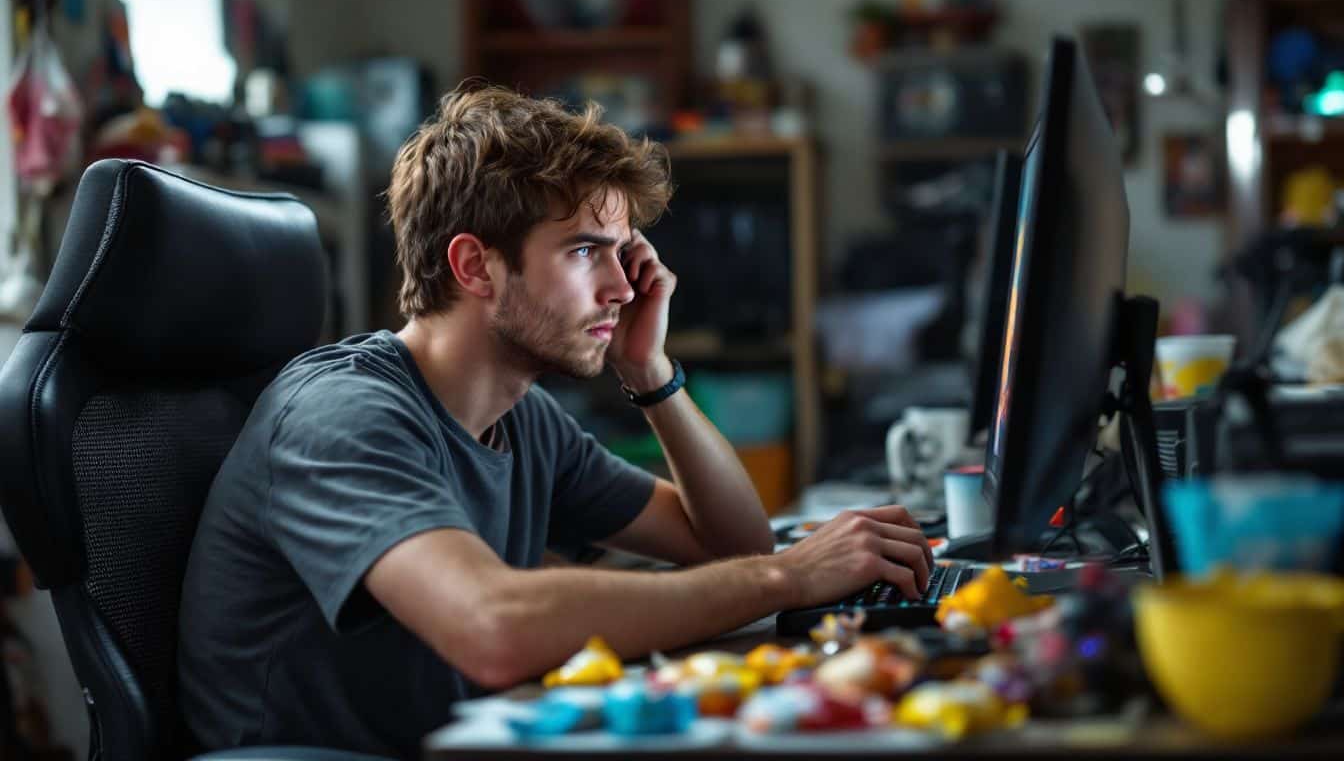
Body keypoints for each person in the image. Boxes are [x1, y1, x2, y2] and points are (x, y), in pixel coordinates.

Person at [177, 83, 932, 757]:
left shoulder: (521, 417)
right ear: (475, 267)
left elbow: (729, 543)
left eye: (622, 255)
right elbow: (494, 628)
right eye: (584, 252)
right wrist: (786, 577)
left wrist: (651, 374)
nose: (621, 289)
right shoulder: (342, 414)